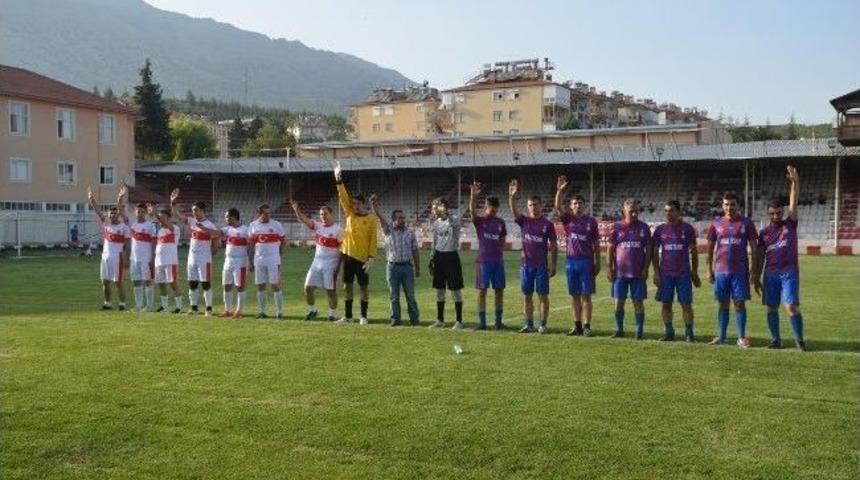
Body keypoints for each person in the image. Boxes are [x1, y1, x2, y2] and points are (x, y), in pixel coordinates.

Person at [754, 165, 806, 351]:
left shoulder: (790, 225)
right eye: (772, 214)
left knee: (791, 306)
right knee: (771, 308)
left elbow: (794, 202)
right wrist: (755, 277)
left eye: (778, 213)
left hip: (789, 273)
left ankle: (799, 341)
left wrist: (795, 182)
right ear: (768, 214)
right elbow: (759, 257)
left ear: (782, 212)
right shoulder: (764, 233)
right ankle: (776, 340)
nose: (775, 216)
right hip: (770, 274)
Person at [706, 192, 759, 348]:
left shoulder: (746, 223)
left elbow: (754, 248)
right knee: (722, 304)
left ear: (738, 206)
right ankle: (721, 337)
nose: (729, 207)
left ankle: (741, 337)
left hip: (740, 271)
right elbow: (709, 249)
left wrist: (754, 270)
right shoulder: (715, 223)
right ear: (722, 206)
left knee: (739, 304)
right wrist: (709, 270)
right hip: (721, 271)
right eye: (726, 204)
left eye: (732, 204)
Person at [508, 179, 557, 334]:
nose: (533, 207)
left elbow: (554, 246)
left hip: (541, 266)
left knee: (543, 295)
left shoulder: (547, 224)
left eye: (535, 204)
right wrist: (512, 197)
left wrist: (553, 265)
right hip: (526, 266)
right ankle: (528, 324)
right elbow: (514, 211)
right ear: (527, 207)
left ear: (541, 205)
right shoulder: (524, 221)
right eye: (530, 205)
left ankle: (542, 324)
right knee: (527, 296)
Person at [554, 175, 601, 337]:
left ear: (584, 205)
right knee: (574, 296)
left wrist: (598, 262)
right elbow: (557, 207)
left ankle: (587, 326)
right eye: (574, 203)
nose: (577, 205)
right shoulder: (568, 219)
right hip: (571, 262)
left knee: (586, 295)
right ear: (571, 206)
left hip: (586, 262)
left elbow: (596, 243)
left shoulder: (591, 222)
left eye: (580, 203)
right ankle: (577, 326)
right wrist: (559, 191)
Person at [333, 161, 378, 325]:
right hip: (348, 257)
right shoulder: (349, 215)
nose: (355, 206)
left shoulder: (371, 219)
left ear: (364, 204)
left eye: (358, 204)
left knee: (364, 288)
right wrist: (339, 181)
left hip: (363, 259)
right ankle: (348, 316)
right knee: (348, 287)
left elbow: (373, 239)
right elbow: (343, 198)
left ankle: (364, 316)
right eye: (353, 204)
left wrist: (371, 257)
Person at [652, 200, 701, 342]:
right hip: (665, 274)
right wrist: (656, 272)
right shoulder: (660, 229)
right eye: (666, 210)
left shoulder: (687, 229)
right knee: (666, 304)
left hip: (683, 274)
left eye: (672, 210)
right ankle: (669, 332)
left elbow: (694, 251)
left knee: (686, 304)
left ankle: (689, 334)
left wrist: (695, 271)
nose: (668, 213)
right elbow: (655, 252)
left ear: (679, 212)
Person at [370, 194, 421, 326]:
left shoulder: (410, 233)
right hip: (392, 267)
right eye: (399, 218)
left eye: (403, 217)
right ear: (393, 220)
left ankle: (414, 319)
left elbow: (415, 251)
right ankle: (395, 318)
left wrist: (418, 268)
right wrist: (374, 206)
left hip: (407, 267)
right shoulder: (388, 230)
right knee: (394, 296)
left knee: (410, 295)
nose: (402, 220)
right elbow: (380, 217)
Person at [169, 188, 221, 316]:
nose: (194, 213)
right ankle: (194, 308)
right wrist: (173, 203)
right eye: (193, 211)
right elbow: (177, 216)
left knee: (205, 283)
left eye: (196, 210)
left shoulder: (210, 225)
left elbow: (217, 243)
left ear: (203, 211)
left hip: (204, 258)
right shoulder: (192, 222)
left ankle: (209, 308)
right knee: (192, 283)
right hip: (192, 257)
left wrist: (210, 255)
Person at [291, 200, 343, 322]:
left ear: (331, 214)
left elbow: (343, 251)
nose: (323, 216)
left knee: (330, 290)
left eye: (325, 214)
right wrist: (296, 209)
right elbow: (304, 220)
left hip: (331, 263)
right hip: (317, 261)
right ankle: (312, 311)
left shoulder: (338, 230)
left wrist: (339, 267)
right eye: (321, 214)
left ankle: (332, 314)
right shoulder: (318, 226)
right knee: (308, 287)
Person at [607, 199, 652, 339]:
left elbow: (649, 249)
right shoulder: (616, 227)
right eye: (631, 211)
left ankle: (639, 331)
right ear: (623, 212)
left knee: (638, 301)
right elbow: (610, 249)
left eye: (636, 211)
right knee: (619, 301)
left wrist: (646, 268)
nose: (634, 214)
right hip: (620, 273)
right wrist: (609, 268)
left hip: (638, 272)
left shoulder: (644, 227)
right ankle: (619, 329)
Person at [468, 181, 507, 330]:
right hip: (483, 262)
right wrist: (473, 197)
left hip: (497, 261)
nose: (493, 210)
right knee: (482, 292)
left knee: (499, 291)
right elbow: (471, 211)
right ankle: (482, 323)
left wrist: (499, 251)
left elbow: (502, 239)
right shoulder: (480, 221)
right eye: (491, 207)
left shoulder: (500, 223)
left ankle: (498, 322)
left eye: (495, 208)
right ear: (486, 206)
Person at [88, 186, 131, 310]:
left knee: (118, 282)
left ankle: (122, 304)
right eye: (110, 213)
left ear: (118, 215)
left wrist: (127, 259)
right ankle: (107, 303)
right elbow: (97, 211)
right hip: (105, 257)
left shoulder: (124, 227)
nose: (112, 215)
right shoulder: (106, 224)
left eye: (114, 213)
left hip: (117, 258)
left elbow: (128, 244)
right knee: (105, 281)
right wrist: (91, 198)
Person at [118, 186, 157, 312]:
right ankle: (138, 305)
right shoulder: (132, 225)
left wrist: (152, 257)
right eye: (138, 211)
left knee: (147, 281)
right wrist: (120, 199)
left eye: (142, 211)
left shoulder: (150, 225)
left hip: (146, 258)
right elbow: (121, 213)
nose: (139, 213)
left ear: (145, 213)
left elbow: (154, 243)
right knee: (136, 282)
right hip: (134, 258)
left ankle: (149, 306)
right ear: (135, 212)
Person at [427, 197, 465, 329]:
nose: (432, 210)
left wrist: (445, 212)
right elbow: (435, 241)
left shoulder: (454, 219)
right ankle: (440, 320)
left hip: (451, 256)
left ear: (441, 207)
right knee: (439, 289)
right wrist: (432, 257)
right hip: (439, 257)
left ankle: (459, 320)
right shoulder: (436, 223)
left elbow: (451, 221)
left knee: (455, 290)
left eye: (434, 207)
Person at [248, 203, 286, 319]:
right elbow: (251, 245)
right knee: (260, 286)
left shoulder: (276, 225)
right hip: (259, 260)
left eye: (269, 213)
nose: (268, 215)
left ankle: (279, 312)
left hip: (273, 260)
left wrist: (278, 255)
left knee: (275, 285)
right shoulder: (253, 226)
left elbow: (283, 241)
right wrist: (250, 261)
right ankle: (262, 311)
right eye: (265, 213)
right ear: (259, 214)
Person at [220, 208, 251, 319]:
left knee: (240, 286)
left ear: (234, 217)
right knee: (226, 286)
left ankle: (239, 311)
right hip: (228, 261)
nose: (226, 219)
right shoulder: (227, 229)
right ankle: (228, 310)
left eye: (227, 217)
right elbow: (216, 233)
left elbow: (250, 247)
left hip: (240, 261)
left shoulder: (245, 230)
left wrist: (251, 262)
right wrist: (203, 228)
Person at [153, 208, 183, 314]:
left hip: (170, 261)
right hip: (159, 261)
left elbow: (166, 224)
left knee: (173, 283)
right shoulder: (160, 231)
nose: (161, 219)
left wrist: (155, 213)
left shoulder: (174, 228)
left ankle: (178, 306)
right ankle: (164, 306)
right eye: (160, 217)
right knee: (161, 284)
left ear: (169, 217)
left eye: (163, 217)